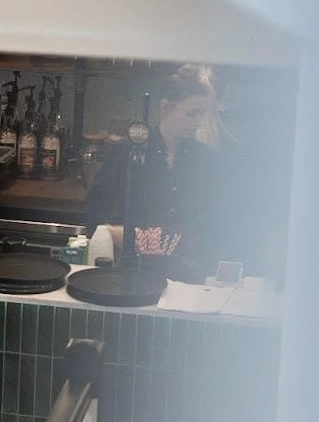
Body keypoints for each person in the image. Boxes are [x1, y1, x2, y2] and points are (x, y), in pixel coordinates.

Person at [83, 65, 234, 278]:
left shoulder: (205, 159)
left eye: (202, 114)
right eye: (191, 113)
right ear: (165, 108)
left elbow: (216, 223)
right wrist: (113, 232)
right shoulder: (129, 150)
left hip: (188, 275)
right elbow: (94, 210)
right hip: (133, 272)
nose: (198, 122)